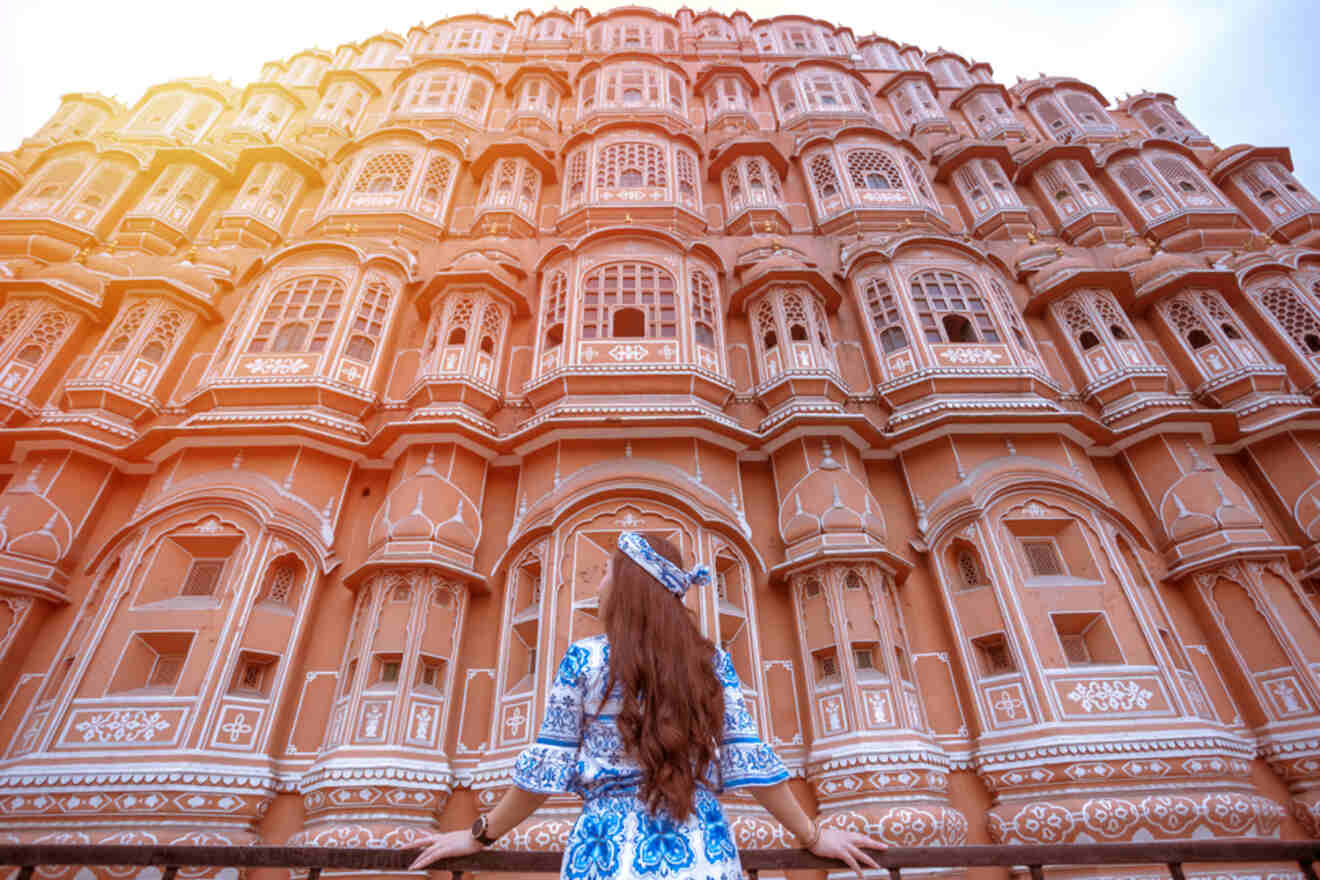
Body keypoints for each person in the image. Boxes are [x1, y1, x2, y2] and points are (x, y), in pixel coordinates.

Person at [408, 531, 885, 879]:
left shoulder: (585, 660)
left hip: (607, 855)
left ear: (629, 588)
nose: (596, 587)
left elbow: (543, 773)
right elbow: (749, 761)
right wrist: (813, 835)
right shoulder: (711, 663)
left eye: (605, 575)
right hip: (703, 854)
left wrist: (478, 835)